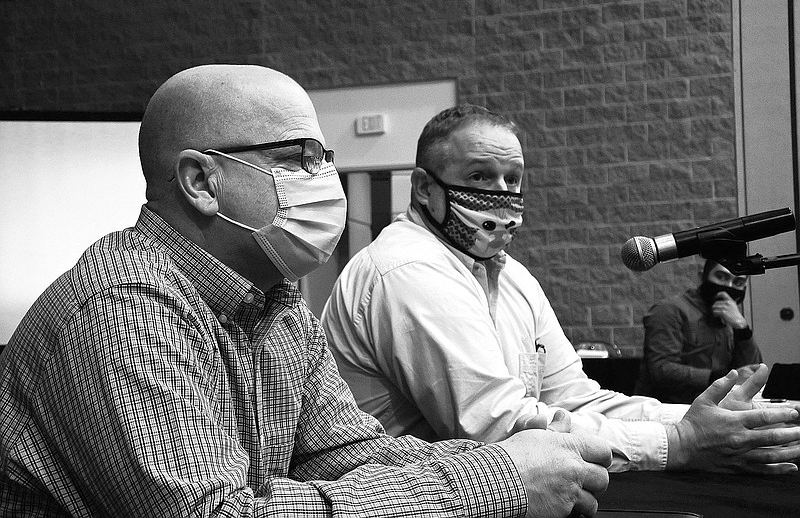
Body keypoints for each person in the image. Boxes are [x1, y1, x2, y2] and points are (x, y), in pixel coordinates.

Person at [0, 66, 614, 518]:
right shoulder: (124, 305)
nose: (325, 182)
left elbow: (344, 454)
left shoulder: (275, 299)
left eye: (325, 160)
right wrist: (499, 481)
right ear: (200, 180)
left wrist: (514, 465)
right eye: (298, 158)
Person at [321, 103, 800, 474]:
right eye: (480, 176)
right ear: (425, 189)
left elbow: (575, 399)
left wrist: (742, 420)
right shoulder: (408, 268)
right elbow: (497, 430)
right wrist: (680, 443)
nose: (502, 192)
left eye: (513, 179)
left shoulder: (510, 276)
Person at [634, 259, 763, 403]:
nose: (729, 287)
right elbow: (661, 370)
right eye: (721, 277)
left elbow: (749, 373)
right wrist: (720, 378)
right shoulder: (669, 310)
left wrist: (742, 328)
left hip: (713, 407)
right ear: (703, 276)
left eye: (738, 282)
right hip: (667, 408)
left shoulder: (728, 316)